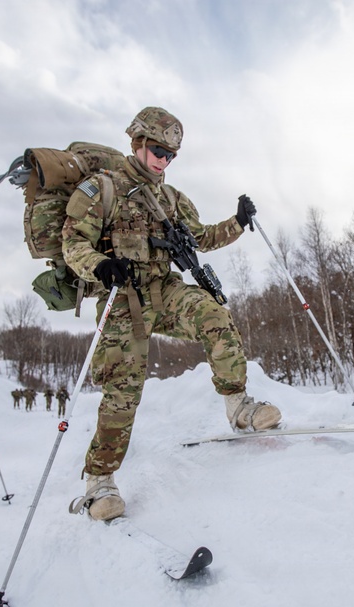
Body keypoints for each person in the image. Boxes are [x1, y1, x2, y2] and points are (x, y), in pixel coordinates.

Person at [60, 106, 281, 522]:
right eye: (159, 150)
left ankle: (238, 407)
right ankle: (99, 481)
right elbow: (73, 245)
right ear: (139, 143)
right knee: (123, 390)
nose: (164, 160)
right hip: (123, 299)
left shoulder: (173, 199)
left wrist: (237, 221)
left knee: (214, 315)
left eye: (171, 155)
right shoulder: (100, 188)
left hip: (165, 290)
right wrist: (101, 266)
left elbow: (201, 238)